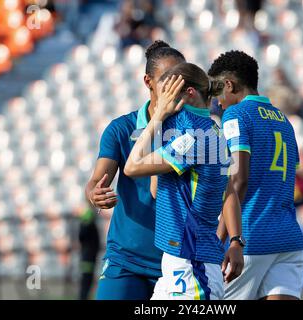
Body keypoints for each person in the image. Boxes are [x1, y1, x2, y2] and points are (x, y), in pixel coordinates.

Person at [124, 65, 244, 300]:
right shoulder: (212, 129)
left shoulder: (193, 138)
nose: (160, 101)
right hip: (178, 261)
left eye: (166, 94)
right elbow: (157, 190)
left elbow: (132, 167)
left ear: (189, 92)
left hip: (192, 267)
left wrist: (158, 117)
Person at [85, 40, 185, 300]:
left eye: (180, 77)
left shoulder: (195, 132)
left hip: (179, 263)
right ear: (148, 81)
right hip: (126, 259)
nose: (174, 84)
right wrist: (95, 193)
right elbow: (96, 180)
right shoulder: (120, 129)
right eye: (166, 78)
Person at [208, 50, 303, 300]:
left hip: (251, 237)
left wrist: (220, 238)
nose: (218, 101)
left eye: (217, 92)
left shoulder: (236, 115)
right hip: (289, 240)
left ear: (229, 85)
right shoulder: (284, 120)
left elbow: (239, 178)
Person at [78, 204, 100, 300]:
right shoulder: (88, 227)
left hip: (87, 257)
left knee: (86, 281)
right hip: (88, 258)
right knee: (86, 281)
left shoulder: (85, 227)